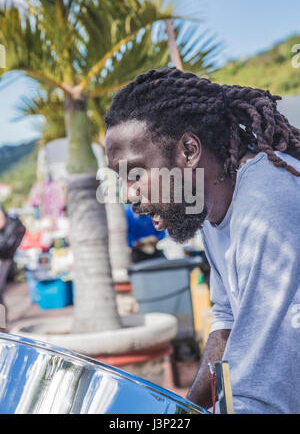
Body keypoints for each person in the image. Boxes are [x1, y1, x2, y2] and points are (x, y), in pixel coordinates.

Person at [104, 68, 300, 414]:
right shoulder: (214, 205)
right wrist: (181, 412)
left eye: (135, 174)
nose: (127, 194)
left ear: (189, 150)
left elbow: (264, 396)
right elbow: (227, 321)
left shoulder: (266, 206)